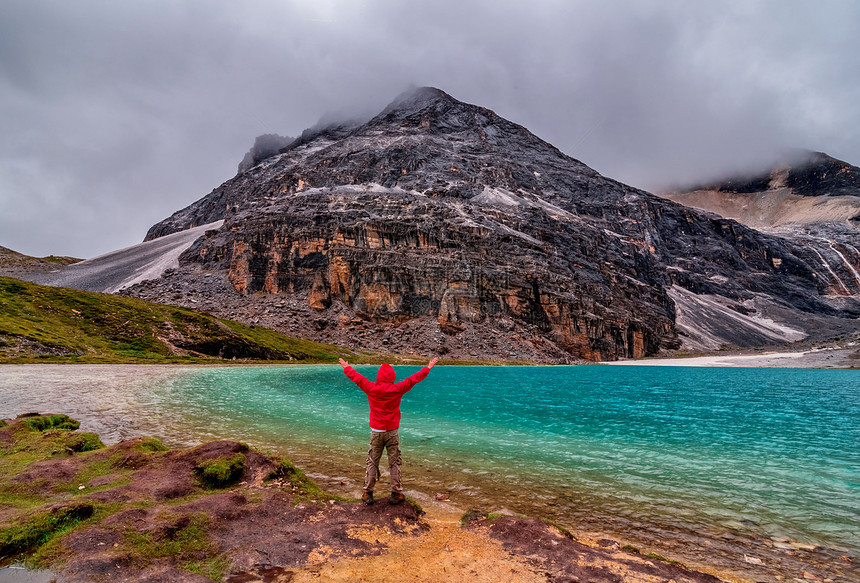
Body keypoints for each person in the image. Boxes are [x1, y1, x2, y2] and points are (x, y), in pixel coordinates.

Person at [339, 357, 438, 506]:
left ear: (379, 376)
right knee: (394, 462)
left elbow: (358, 379)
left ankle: (368, 493)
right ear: (392, 377)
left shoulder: (371, 388)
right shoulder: (397, 389)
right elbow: (413, 380)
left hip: (376, 431)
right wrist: (428, 368)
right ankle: (396, 493)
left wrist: (346, 367)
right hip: (392, 431)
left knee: (372, 461)